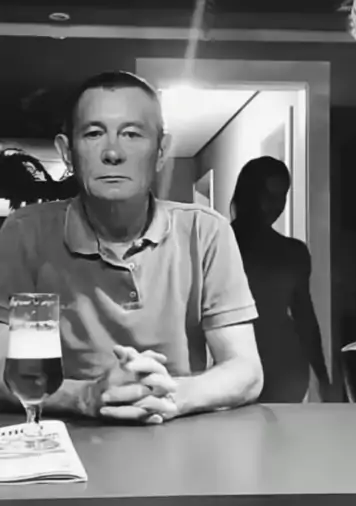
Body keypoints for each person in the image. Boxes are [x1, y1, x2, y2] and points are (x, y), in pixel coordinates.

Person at [0, 71, 263, 424]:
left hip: (178, 436)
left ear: (161, 151)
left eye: (132, 134)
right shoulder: (24, 233)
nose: (113, 152)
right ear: (67, 152)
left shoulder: (206, 231)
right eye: (94, 134)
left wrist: (171, 395)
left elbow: (246, 370)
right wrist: (86, 396)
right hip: (67, 439)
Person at [231, 156, 330, 403]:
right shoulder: (216, 245)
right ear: (249, 195)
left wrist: (322, 376)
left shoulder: (293, 252)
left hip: (285, 367)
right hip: (233, 363)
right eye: (267, 196)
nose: (276, 205)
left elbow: (305, 316)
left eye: (282, 196)